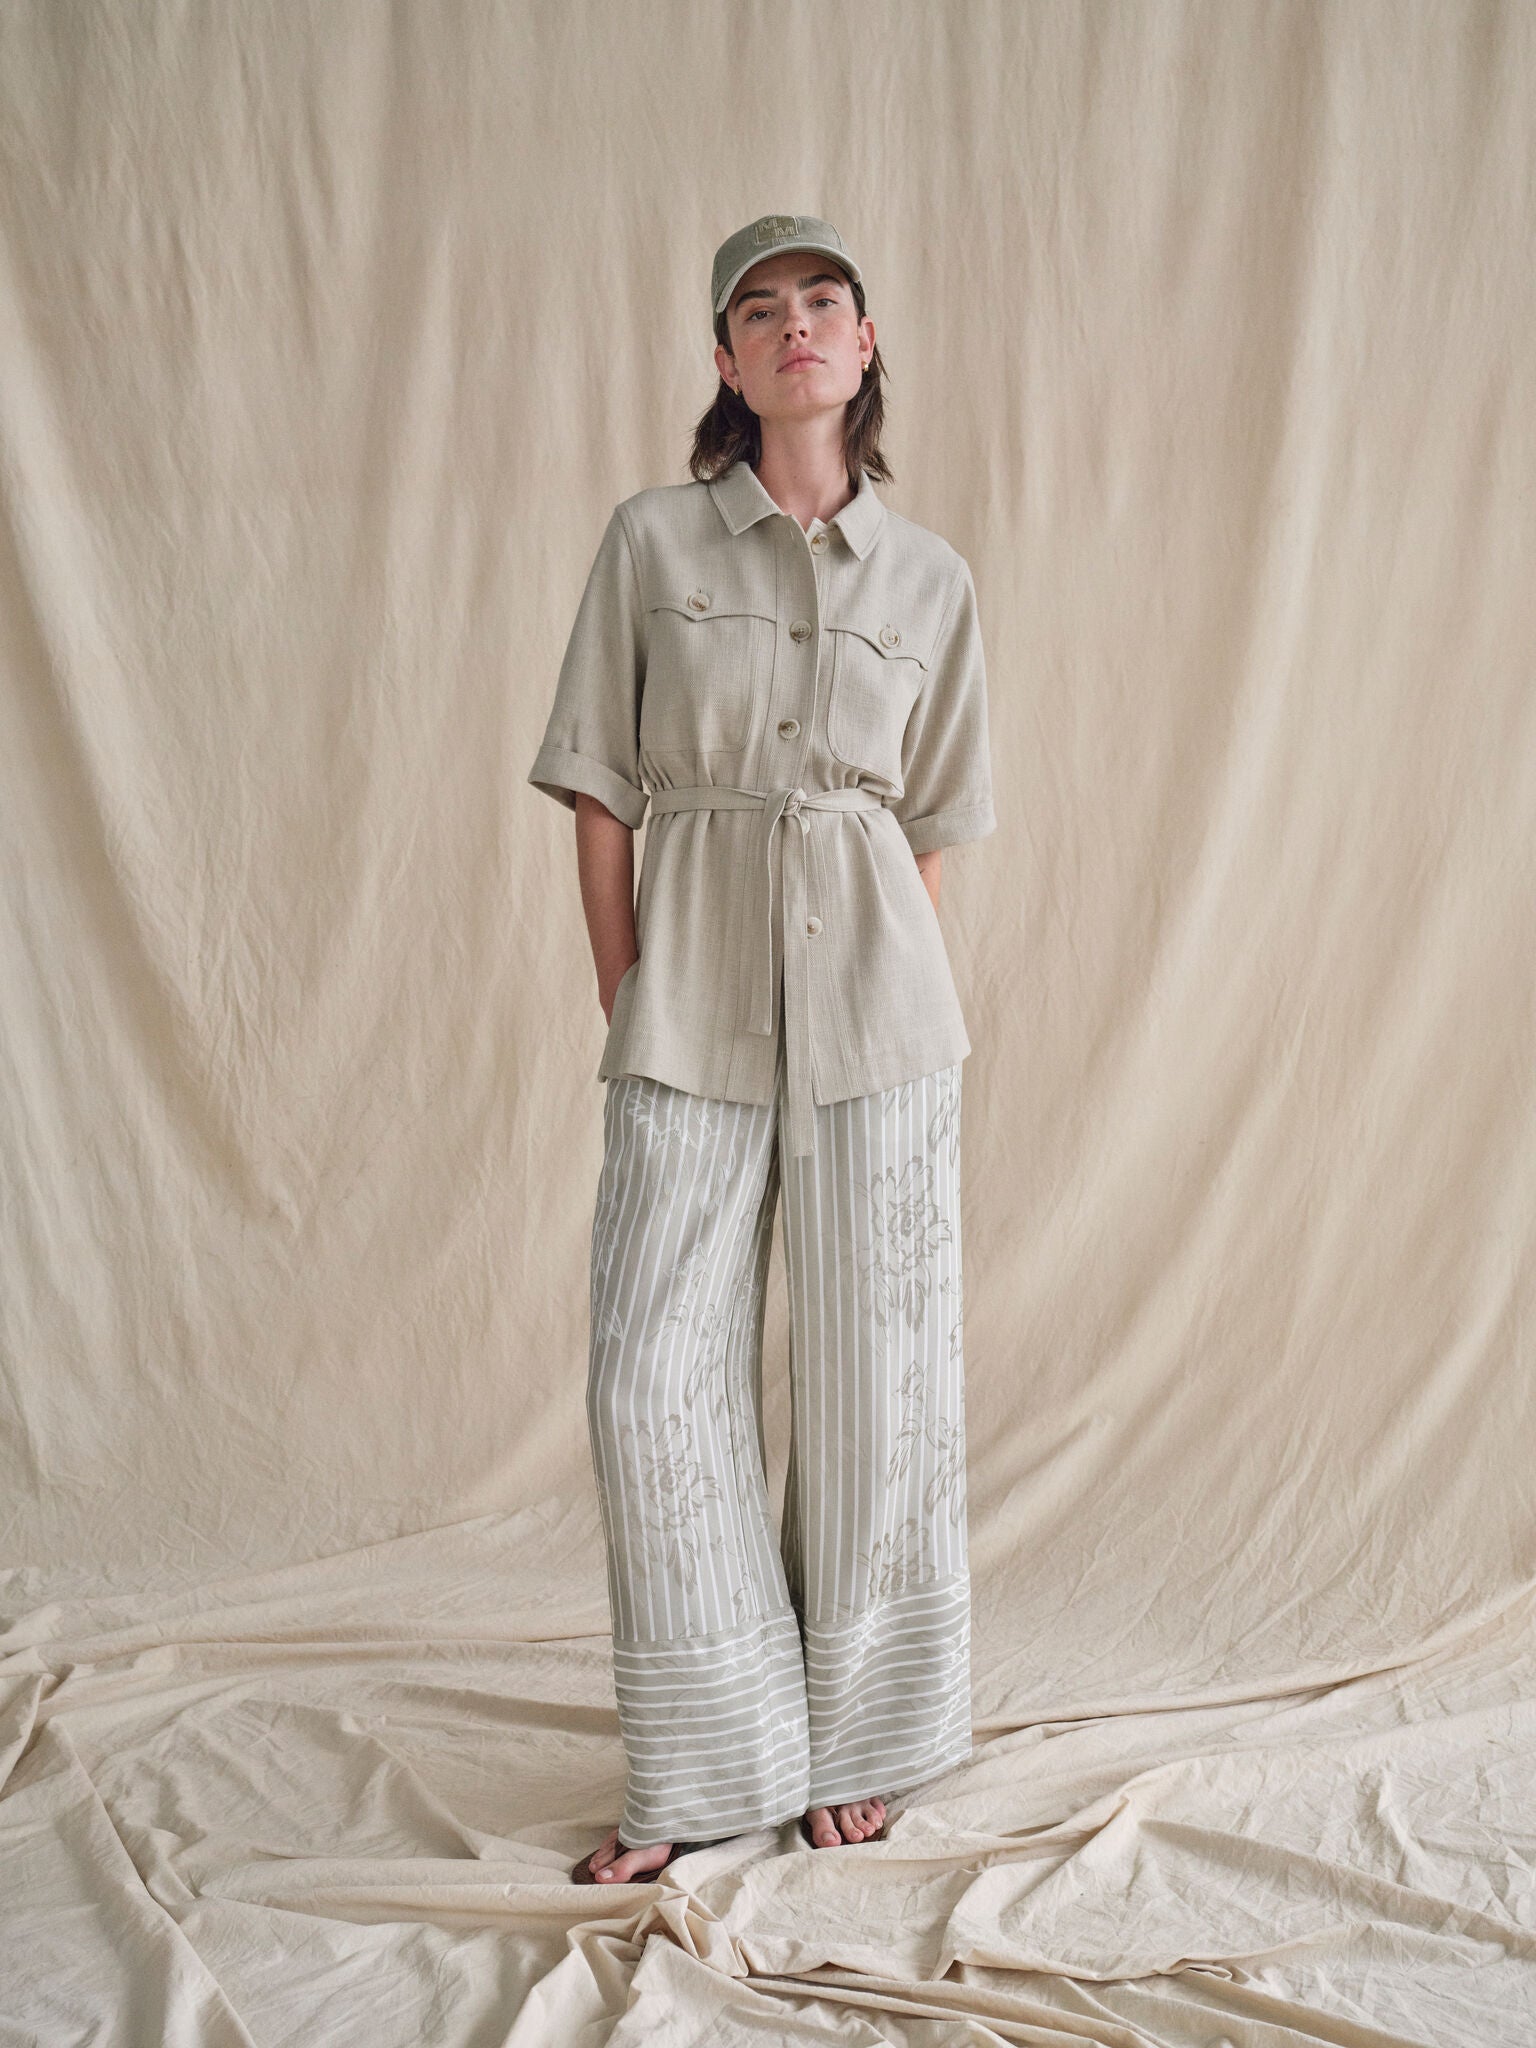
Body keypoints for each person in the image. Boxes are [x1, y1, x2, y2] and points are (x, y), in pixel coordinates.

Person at [527, 213, 996, 1885]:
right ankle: (711, 1748)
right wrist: (627, 987)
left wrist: (896, 986)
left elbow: (930, 821)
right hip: (693, 994)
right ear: (726, 361)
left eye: (824, 301)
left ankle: (862, 1741)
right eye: (759, 309)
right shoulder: (651, 540)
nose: (796, 325)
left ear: (864, 347)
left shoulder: (930, 577)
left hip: (884, 1007)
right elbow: (599, 786)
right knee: (650, 1369)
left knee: (882, 1377)